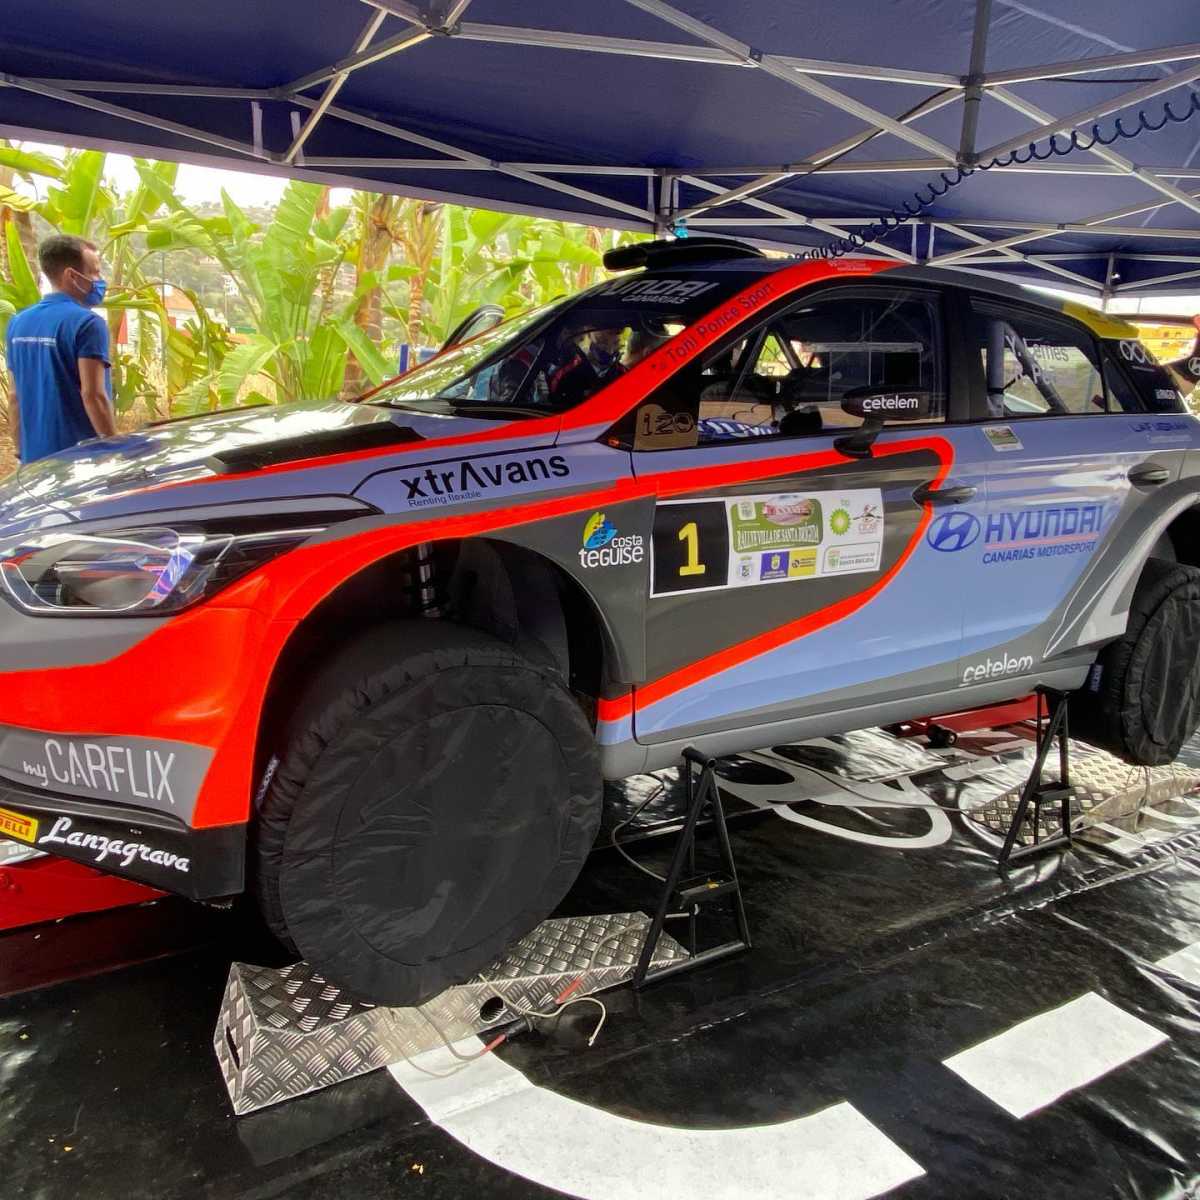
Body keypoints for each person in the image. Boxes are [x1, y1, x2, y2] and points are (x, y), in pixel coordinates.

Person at [6, 234, 115, 463]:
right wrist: (114, 449)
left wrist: (21, 452)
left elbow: (14, 396)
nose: (100, 280)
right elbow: (93, 395)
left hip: (36, 461)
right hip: (79, 462)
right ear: (71, 275)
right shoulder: (88, 324)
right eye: (94, 272)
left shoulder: (17, 323)